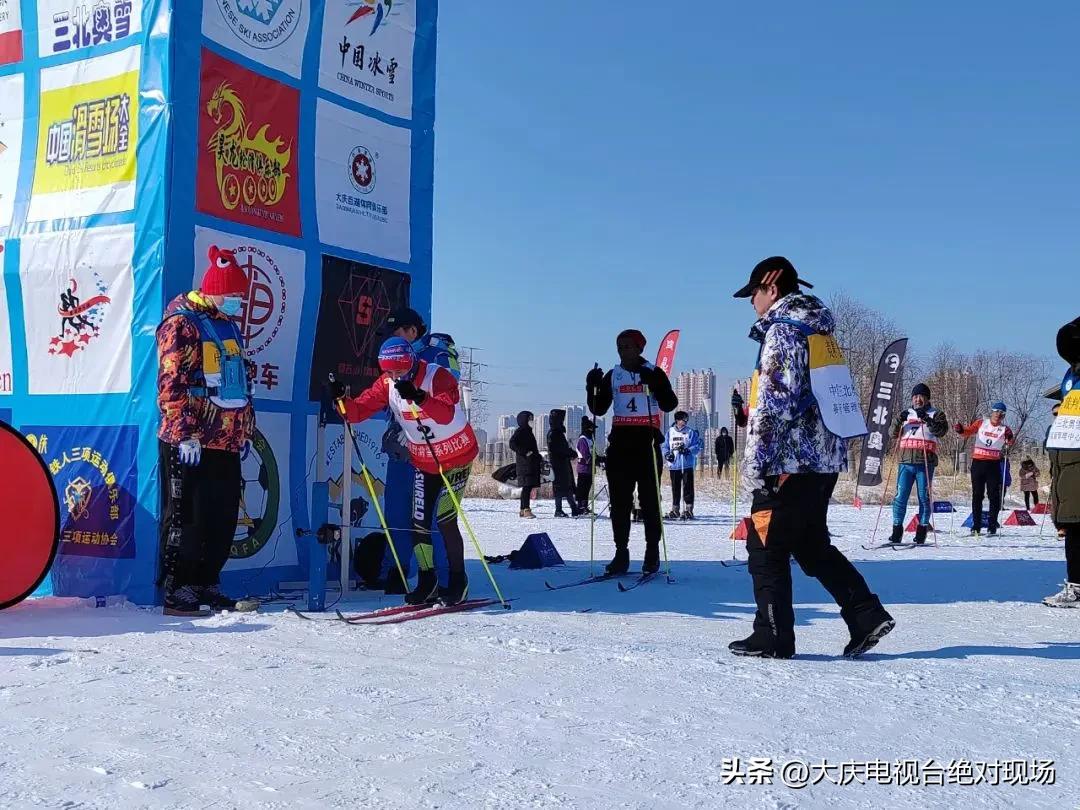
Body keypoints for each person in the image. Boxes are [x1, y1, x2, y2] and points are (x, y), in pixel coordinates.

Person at [729, 256, 893, 659]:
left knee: (765, 548)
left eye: (753, 293)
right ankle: (865, 614)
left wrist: (756, 464)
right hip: (823, 460)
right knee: (810, 545)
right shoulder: (820, 332)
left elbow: (775, 403)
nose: (751, 302)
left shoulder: (783, 331)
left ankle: (773, 635)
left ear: (771, 289)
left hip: (787, 463)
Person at [332, 337, 478, 605]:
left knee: (445, 519)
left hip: (457, 455)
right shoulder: (386, 383)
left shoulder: (438, 376)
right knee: (418, 522)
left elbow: (445, 414)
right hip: (424, 460)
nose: (395, 377)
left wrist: (420, 397)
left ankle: (458, 580)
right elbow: (357, 412)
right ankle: (427, 580)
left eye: (400, 371)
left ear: (412, 363)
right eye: (389, 372)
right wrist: (341, 400)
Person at [156, 246, 258, 617]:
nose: (237, 302)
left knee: (222, 517)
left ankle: (207, 582)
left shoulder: (228, 325)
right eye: (232, 295)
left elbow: (239, 380)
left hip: (225, 438)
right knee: (189, 517)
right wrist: (184, 431)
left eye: (240, 296)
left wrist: (245, 429)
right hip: (192, 439)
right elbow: (172, 382)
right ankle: (178, 589)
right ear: (213, 290)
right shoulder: (181, 324)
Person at [586, 329, 678, 575]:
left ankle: (652, 551)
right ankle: (621, 552)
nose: (623, 351)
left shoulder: (653, 372)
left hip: (647, 445)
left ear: (639, 348)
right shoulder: (613, 375)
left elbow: (670, 403)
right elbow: (598, 408)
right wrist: (591, 386)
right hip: (620, 446)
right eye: (620, 347)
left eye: (628, 346)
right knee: (620, 503)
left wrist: (655, 384)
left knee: (649, 501)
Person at [1044, 315, 1080, 607]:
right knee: (1071, 523)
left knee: (1076, 524)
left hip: (1075, 459)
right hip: (1065, 458)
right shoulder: (1071, 375)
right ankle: (1075, 583)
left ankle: (1077, 585)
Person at [887, 383, 949, 545]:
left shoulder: (936, 413)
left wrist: (927, 419)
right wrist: (898, 420)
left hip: (925, 463)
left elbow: (941, 431)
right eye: (915, 396)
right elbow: (892, 434)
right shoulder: (907, 413)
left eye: (921, 396)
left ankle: (921, 532)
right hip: (905, 462)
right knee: (900, 497)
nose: (917, 400)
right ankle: (896, 531)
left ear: (927, 398)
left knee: (924, 498)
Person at [955, 402, 1015, 536]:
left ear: (1004, 416)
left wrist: (1009, 438)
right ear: (992, 412)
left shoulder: (1004, 429)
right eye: (996, 412)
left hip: (993, 464)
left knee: (994, 495)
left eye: (1001, 413)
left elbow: (1010, 441)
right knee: (977, 494)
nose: (998, 415)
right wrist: (960, 429)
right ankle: (976, 526)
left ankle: (992, 525)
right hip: (978, 463)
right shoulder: (981, 423)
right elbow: (968, 431)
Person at [662, 410, 703, 519]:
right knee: (675, 488)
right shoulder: (670, 432)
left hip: (686, 464)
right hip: (674, 465)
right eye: (683, 419)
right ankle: (675, 509)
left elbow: (697, 446)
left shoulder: (690, 432)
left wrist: (688, 450)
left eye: (686, 419)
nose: (685, 422)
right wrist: (667, 454)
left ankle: (689, 509)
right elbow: (665, 446)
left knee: (688, 487)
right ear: (677, 420)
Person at [547, 409, 582, 517]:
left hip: (563, 463)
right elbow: (560, 449)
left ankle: (574, 509)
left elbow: (563, 448)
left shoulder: (557, 432)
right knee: (559, 487)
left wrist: (570, 453)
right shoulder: (554, 433)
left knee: (567, 487)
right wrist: (570, 453)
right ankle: (559, 510)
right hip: (558, 465)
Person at [509, 411, 540, 519]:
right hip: (525, 465)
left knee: (528, 487)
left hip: (530, 464)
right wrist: (525, 452)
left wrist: (537, 457)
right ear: (524, 420)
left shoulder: (528, 432)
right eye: (529, 419)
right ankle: (526, 509)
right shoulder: (521, 431)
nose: (531, 421)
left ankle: (523, 510)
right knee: (527, 487)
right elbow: (512, 443)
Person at [575, 416, 598, 510]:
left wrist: (599, 459)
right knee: (582, 487)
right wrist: (595, 460)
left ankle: (585, 506)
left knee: (587, 488)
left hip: (589, 468)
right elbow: (586, 455)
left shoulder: (590, 439)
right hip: (583, 468)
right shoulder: (583, 439)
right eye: (591, 428)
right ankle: (580, 506)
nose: (593, 430)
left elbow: (593, 452)